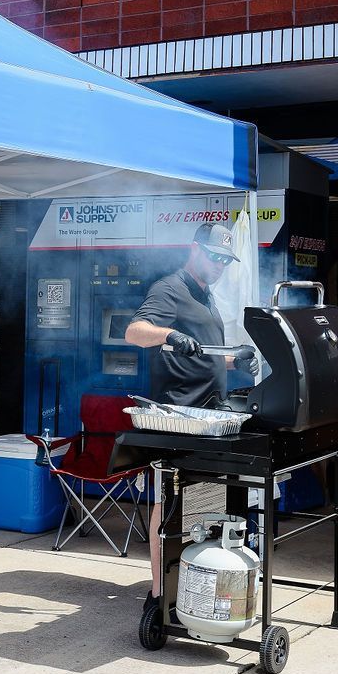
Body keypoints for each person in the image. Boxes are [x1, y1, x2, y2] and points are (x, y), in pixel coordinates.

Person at [125, 222, 257, 609]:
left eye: (225, 261)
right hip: (178, 417)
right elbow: (134, 331)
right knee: (169, 502)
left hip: (209, 417)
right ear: (195, 249)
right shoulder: (170, 288)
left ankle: (194, 583)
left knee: (208, 501)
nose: (220, 265)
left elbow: (201, 354)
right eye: (215, 257)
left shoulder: (206, 295)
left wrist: (234, 361)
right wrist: (167, 335)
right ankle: (157, 592)